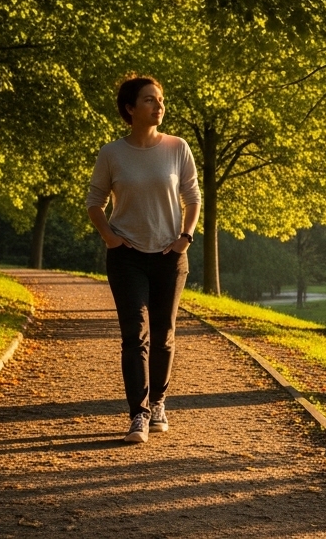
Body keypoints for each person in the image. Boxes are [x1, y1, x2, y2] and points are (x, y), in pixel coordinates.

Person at [86, 76, 201, 444]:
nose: (158, 105)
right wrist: (110, 238)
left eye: (160, 99)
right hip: (127, 257)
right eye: (149, 100)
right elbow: (95, 202)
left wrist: (185, 238)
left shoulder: (178, 147)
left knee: (164, 334)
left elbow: (193, 198)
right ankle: (138, 413)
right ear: (130, 108)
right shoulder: (112, 153)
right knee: (134, 336)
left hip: (170, 256)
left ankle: (158, 403)